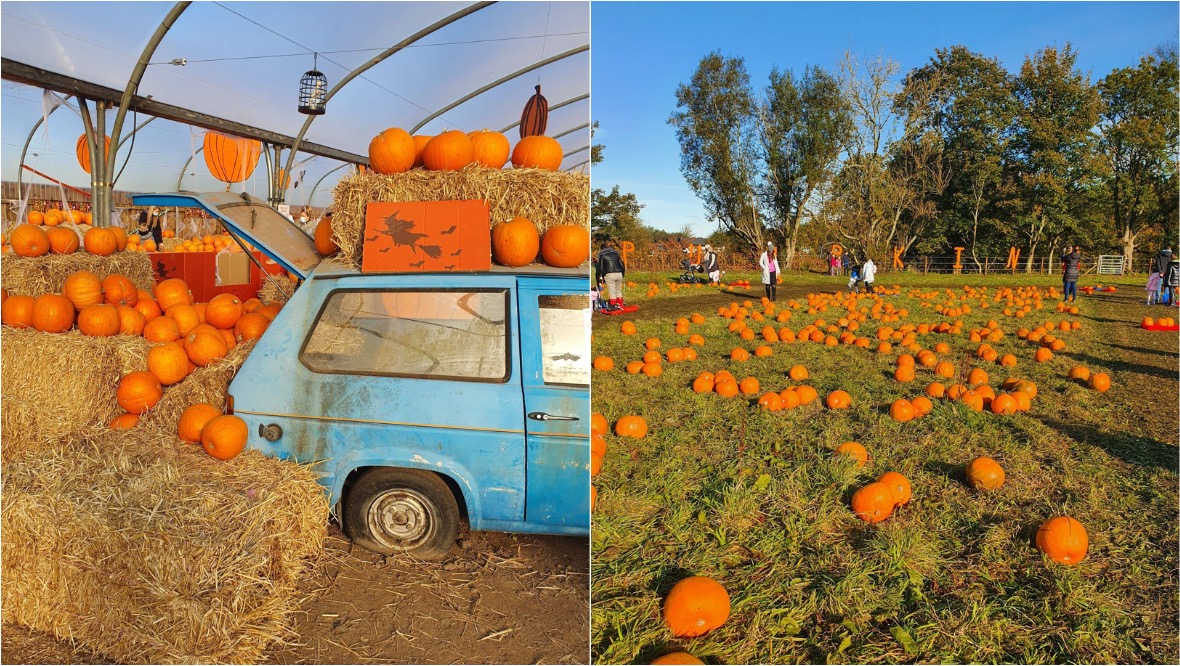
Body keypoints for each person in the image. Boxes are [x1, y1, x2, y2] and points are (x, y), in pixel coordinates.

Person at [594, 241, 626, 311]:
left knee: (612, 291)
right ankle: (620, 304)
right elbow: (622, 264)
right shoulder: (616, 253)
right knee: (618, 290)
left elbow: (601, 267)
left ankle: (613, 305)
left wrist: (601, 276)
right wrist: (623, 274)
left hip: (609, 274)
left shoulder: (602, 255)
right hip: (619, 273)